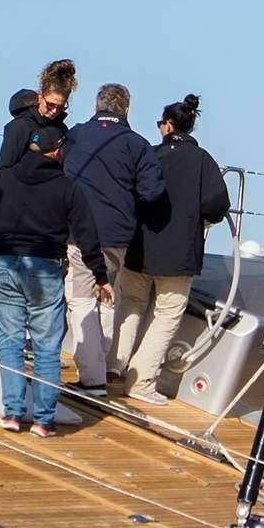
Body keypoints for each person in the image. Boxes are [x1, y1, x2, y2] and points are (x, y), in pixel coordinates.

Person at [0, 116, 99, 438]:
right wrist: (101, 273)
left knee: (10, 342)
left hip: (4, 264)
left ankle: (12, 414)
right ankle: (43, 420)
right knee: (46, 347)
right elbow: (86, 232)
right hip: (44, 267)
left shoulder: (2, 180)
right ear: (57, 151)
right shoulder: (68, 187)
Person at [118, 93, 231, 405]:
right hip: (180, 253)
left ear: (167, 126)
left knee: (129, 304)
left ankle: (111, 366)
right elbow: (217, 205)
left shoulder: (150, 154)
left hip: (139, 247)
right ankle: (140, 382)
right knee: (166, 315)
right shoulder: (203, 161)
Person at [63, 83, 167, 391]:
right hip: (119, 236)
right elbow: (152, 192)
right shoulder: (138, 144)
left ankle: (91, 378)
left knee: (80, 301)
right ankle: (104, 366)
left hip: (78, 232)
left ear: (97, 106)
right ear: (127, 109)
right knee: (107, 299)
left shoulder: (76, 135)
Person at [0, 58, 77, 171]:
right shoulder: (20, 127)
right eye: (51, 105)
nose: (54, 111)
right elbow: (3, 170)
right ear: (40, 96)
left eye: (60, 107)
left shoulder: (62, 130)